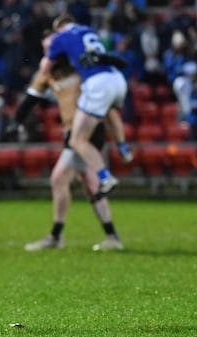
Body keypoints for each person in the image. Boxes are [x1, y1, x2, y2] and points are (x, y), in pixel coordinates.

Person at [9, 33, 123, 251]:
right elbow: (33, 96)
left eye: (50, 48)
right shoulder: (48, 73)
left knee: (59, 179)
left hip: (87, 131)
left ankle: (55, 237)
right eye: (44, 49)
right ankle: (112, 237)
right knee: (89, 184)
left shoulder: (79, 64)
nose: (47, 53)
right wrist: (17, 120)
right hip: (70, 132)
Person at [40, 14, 131, 198]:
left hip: (97, 83)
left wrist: (52, 61)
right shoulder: (89, 30)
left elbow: (46, 68)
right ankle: (123, 147)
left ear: (59, 28)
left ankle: (105, 177)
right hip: (117, 79)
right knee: (109, 109)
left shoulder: (60, 38)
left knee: (77, 139)